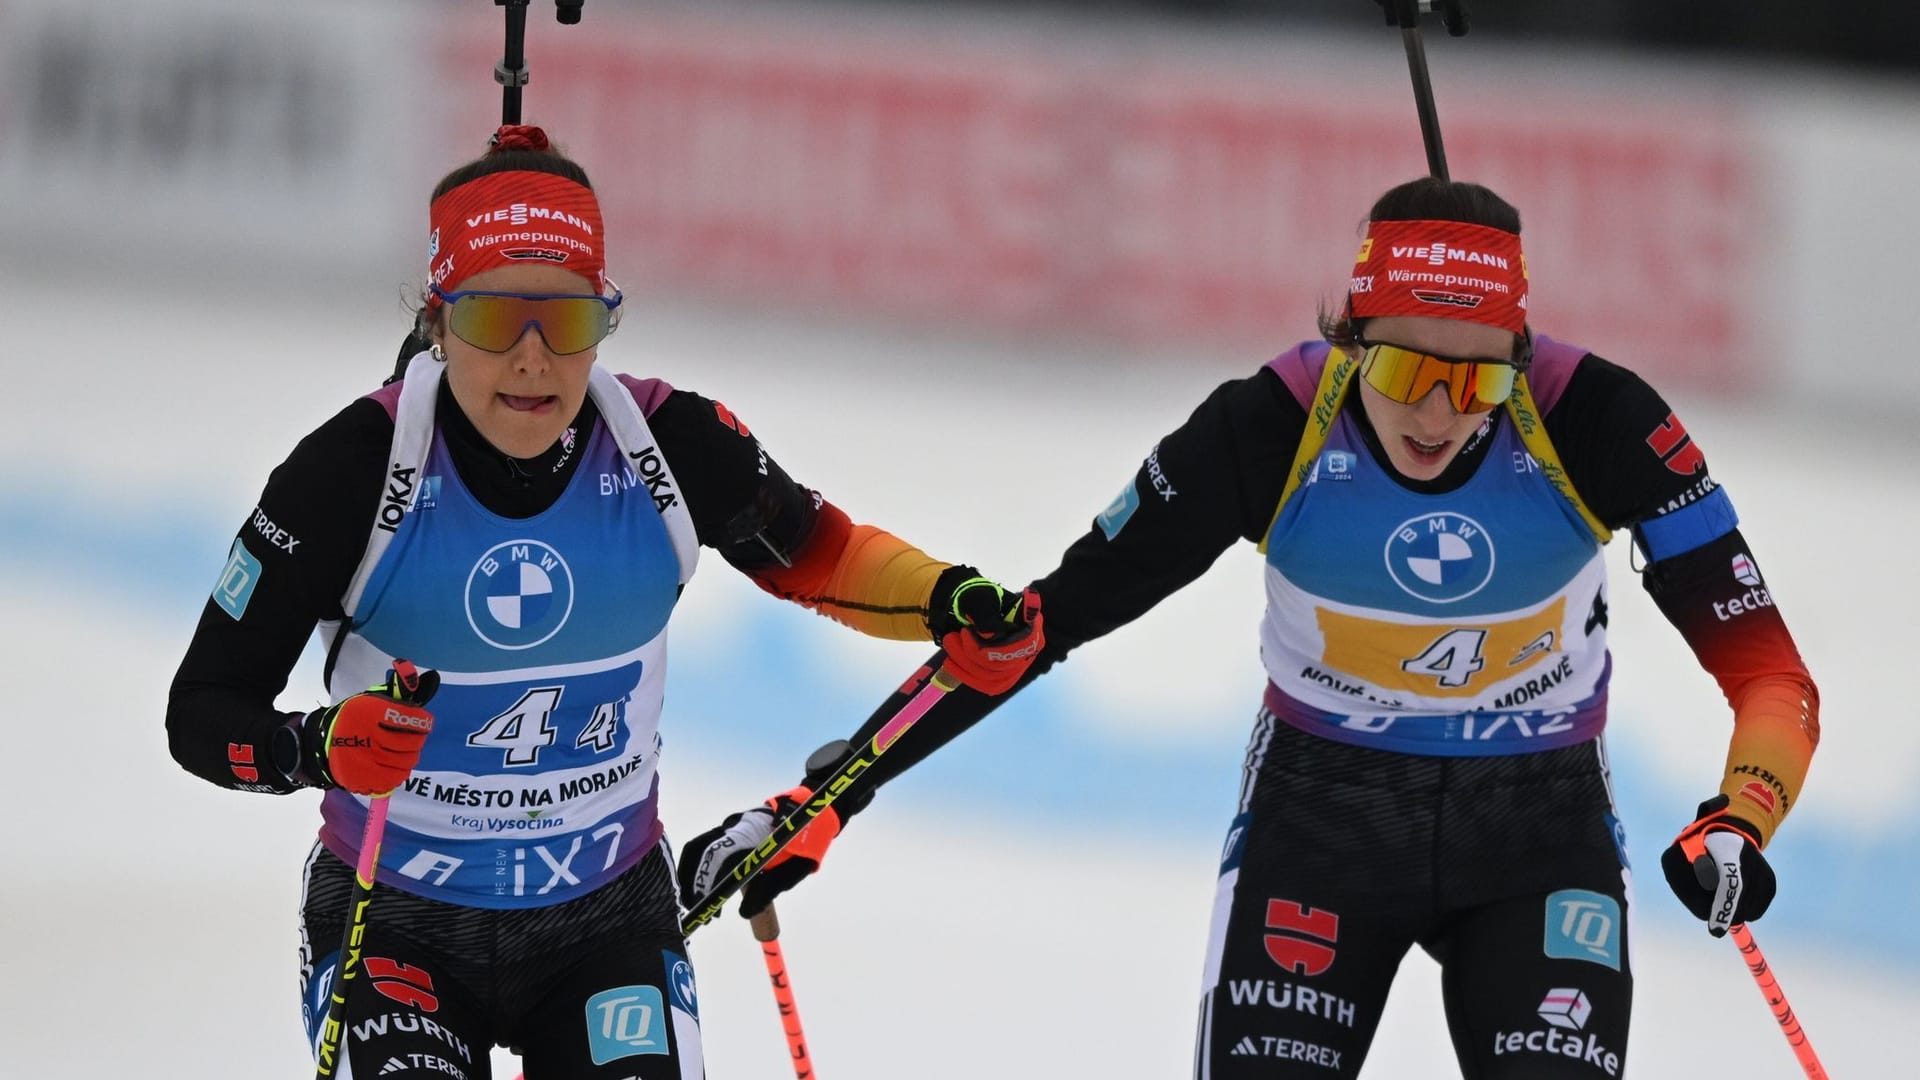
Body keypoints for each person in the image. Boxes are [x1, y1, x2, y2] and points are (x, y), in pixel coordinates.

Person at [682, 177, 1821, 1077]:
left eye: (1476, 385)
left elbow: (1771, 673)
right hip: (1322, 823)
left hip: (1538, 833)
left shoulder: (1600, 422)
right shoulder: (1267, 428)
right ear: (1350, 339)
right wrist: (830, 796)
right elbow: (1035, 628)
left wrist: (1742, 817)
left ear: (1518, 367)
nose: (1437, 411)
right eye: (1408, 369)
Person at [165, 124, 1043, 1079]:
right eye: (499, 321)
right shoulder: (350, 470)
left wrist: (949, 595)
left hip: (605, 921)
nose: (535, 362)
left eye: (570, 322)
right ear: (438, 318)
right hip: (396, 922)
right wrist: (315, 748)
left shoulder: (668, 441)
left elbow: (825, 558)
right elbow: (202, 712)